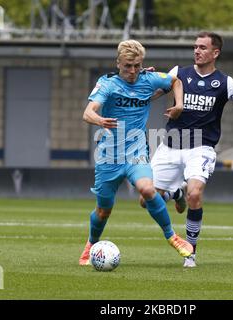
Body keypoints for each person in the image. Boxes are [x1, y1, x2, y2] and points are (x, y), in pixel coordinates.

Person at [144, 31, 233, 267]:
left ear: (215, 52)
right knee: (146, 199)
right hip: (170, 145)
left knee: (196, 194)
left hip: (201, 147)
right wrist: (145, 82)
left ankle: (190, 252)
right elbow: (152, 94)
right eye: (195, 47)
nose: (196, 51)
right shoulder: (178, 73)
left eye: (202, 47)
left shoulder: (225, 82)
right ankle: (176, 194)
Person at [79, 39, 193, 266]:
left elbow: (176, 81)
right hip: (108, 156)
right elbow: (88, 112)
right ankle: (91, 244)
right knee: (103, 211)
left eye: (137, 66)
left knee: (147, 189)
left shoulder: (149, 79)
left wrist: (179, 104)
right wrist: (100, 120)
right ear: (118, 62)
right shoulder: (108, 84)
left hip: (136, 150)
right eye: (128, 66)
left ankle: (172, 236)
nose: (132, 71)